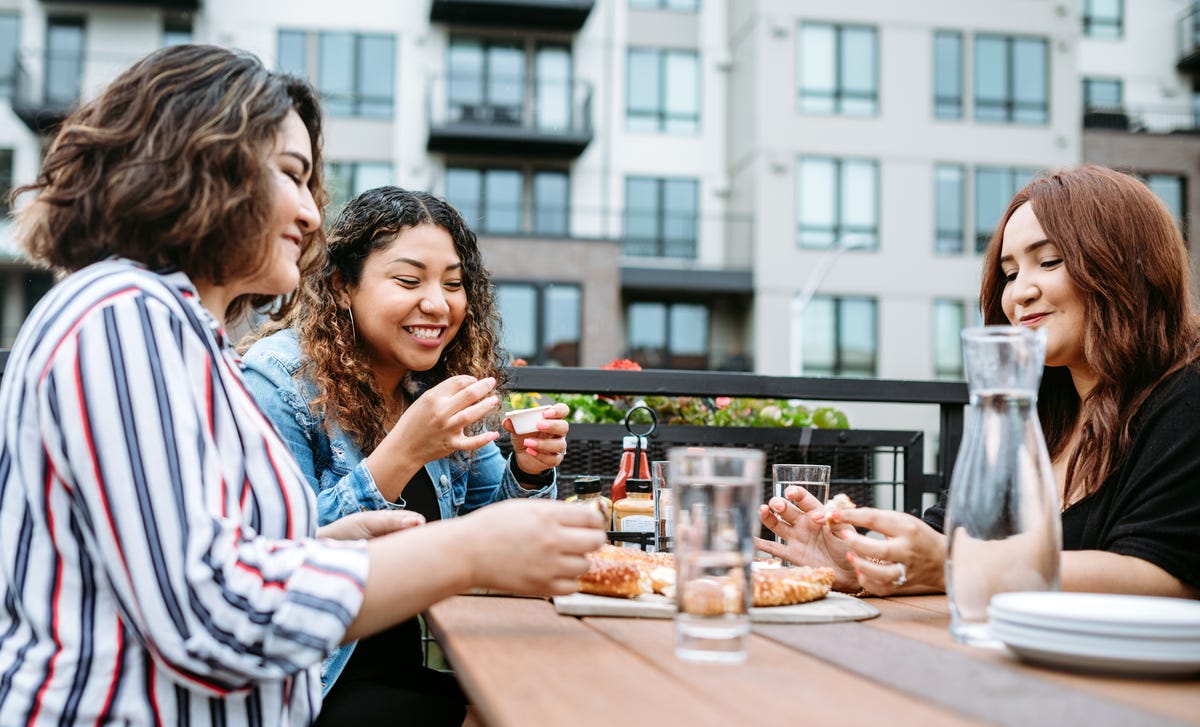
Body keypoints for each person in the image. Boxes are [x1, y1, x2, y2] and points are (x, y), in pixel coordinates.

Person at [0, 44, 604, 727]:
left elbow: (201, 560)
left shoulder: (180, 333)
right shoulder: (122, 319)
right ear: (200, 167)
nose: (313, 214)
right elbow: (210, 616)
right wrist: (463, 551)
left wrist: (328, 544)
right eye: (290, 174)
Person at [758, 164, 1200, 600]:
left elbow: (1164, 575)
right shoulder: (1035, 413)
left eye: (1048, 261)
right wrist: (858, 562)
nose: (1019, 293)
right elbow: (944, 537)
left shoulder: (1185, 398)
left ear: (1124, 266)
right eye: (1009, 274)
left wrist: (959, 566)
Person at [239, 185, 571, 722]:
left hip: (405, 668)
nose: (438, 304)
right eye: (408, 280)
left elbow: (492, 531)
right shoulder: (278, 382)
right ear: (343, 287)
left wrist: (529, 472)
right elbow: (274, 562)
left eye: (454, 284)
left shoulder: (427, 388)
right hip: (311, 685)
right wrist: (403, 451)